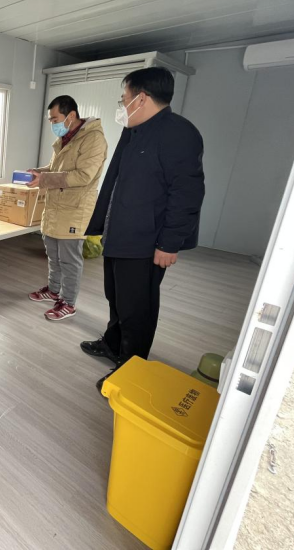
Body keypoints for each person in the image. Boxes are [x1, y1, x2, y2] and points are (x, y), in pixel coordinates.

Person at [81, 67, 205, 393]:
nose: (122, 104)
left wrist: (169, 243)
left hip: (147, 242)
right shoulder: (134, 130)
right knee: (116, 296)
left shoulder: (179, 133)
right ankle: (113, 344)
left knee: (138, 308)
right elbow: (116, 182)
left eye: (124, 98)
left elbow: (187, 193)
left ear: (142, 98)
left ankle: (131, 369)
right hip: (120, 234)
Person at [27, 95, 107, 321]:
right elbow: (55, 169)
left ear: (71, 115)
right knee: (53, 255)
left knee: (69, 260)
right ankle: (53, 291)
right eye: (51, 120)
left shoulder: (93, 139)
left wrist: (44, 180)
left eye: (55, 119)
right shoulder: (66, 138)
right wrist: (38, 172)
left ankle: (68, 303)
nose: (53, 124)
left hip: (75, 209)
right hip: (55, 206)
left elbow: (83, 176)